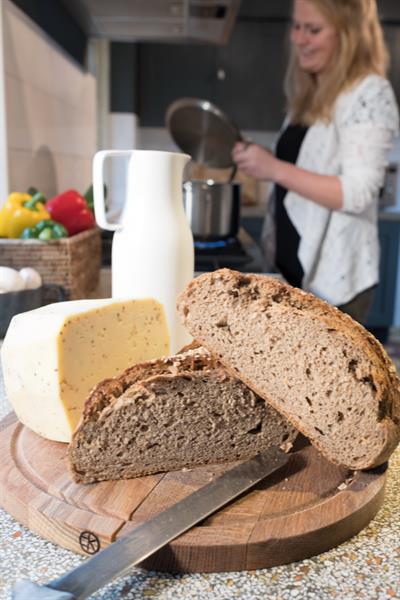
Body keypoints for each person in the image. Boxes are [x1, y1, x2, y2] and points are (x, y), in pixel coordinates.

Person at [232, 0, 399, 324]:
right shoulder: (311, 93)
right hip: (294, 274)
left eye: (314, 29)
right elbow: (309, 164)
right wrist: (263, 158)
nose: (299, 39)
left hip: (336, 284)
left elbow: (357, 192)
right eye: (297, 26)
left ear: (349, 35)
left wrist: (274, 168)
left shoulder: (370, 93)